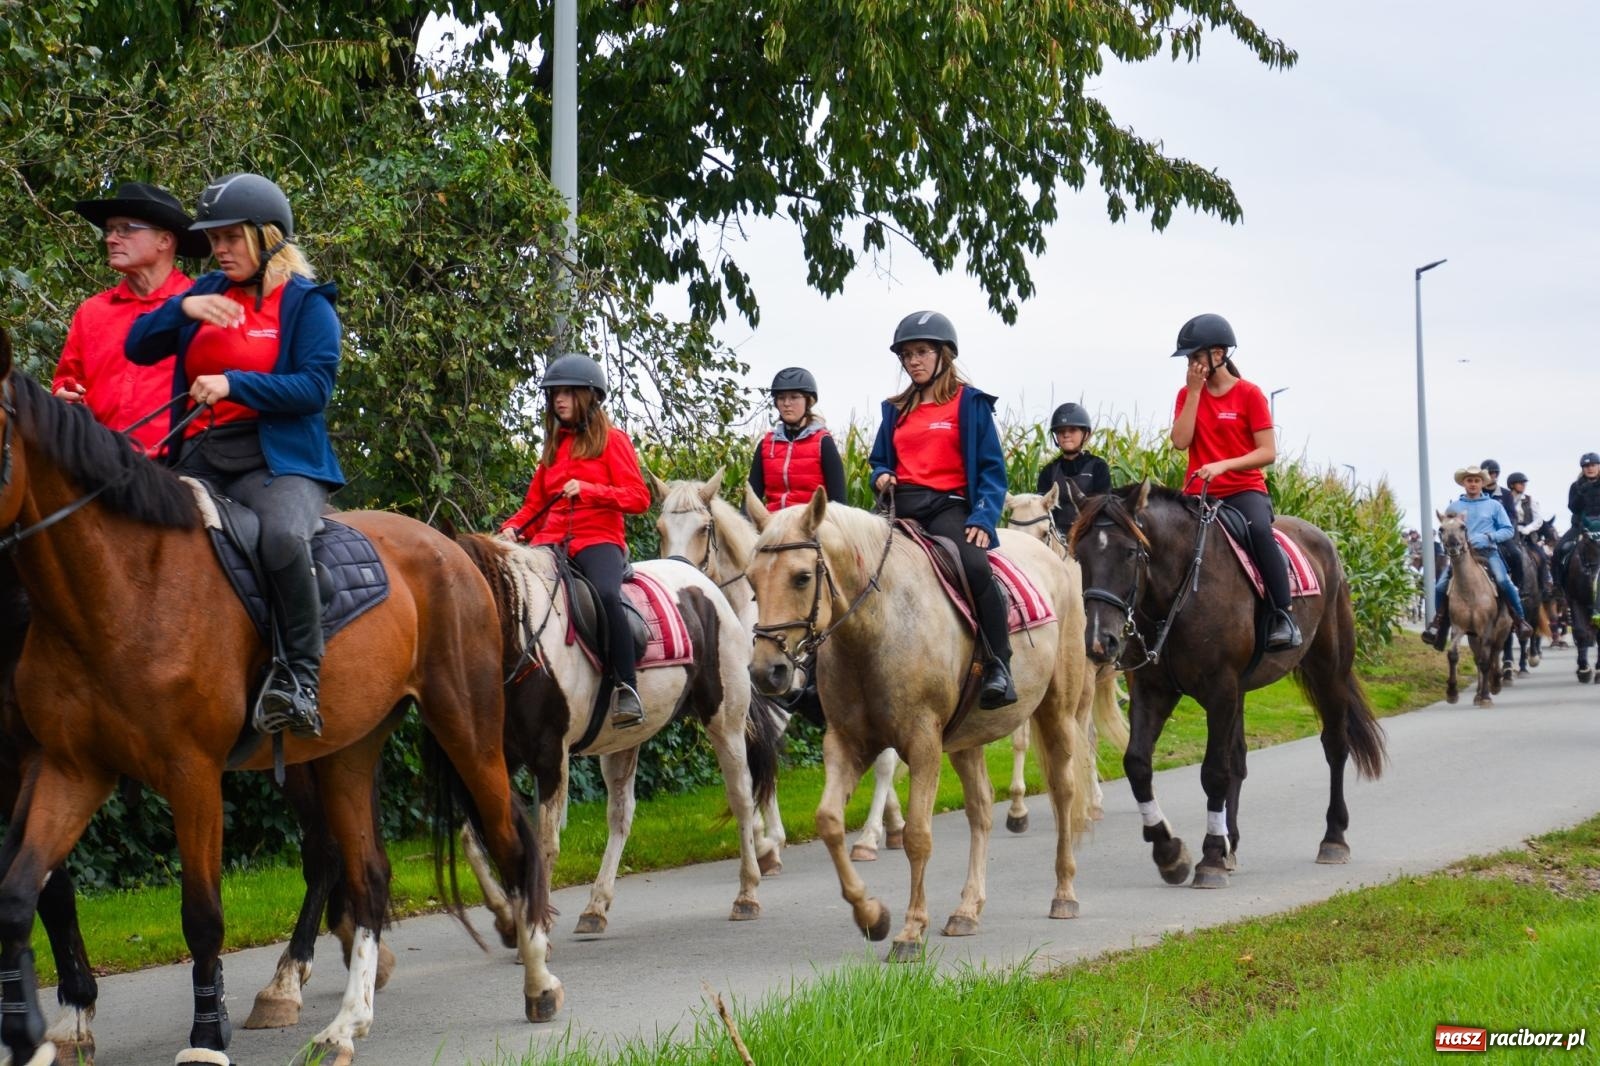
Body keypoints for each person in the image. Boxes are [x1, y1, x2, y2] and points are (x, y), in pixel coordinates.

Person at [126, 172, 342, 738]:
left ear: (268, 237)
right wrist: (184, 310)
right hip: (199, 454)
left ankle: (301, 680)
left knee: (281, 539)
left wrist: (234, 384)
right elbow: (137, 345)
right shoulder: (206, 292)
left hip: (279, 463)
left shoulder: (306, 305)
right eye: (214, 239)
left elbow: (314, 388)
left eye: (231, 238)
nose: (219, 249)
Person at [869, 310, 1016, 708]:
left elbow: (991, 469)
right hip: (902, 508)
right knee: (854, 567)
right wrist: (881, 476)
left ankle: (998, 664)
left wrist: (983, 518)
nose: (912, 361)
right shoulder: (895, 409)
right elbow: (879, 460)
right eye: (906, 354)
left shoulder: (970, 404)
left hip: (950, 507)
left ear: (943, 355)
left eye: (921, 352)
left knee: (973, 566)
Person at [500, 354, 651, 727]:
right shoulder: (553, 448)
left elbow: (639, 498)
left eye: (567, 393)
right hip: (551, 542)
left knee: (605, 594)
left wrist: (589, 490)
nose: (558, 401)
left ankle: (625, 687)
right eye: (554, 394)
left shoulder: (613, 441)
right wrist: (512, 530)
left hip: (598, 539)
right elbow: (534, 507)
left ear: (588, 396)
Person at [1168, 313, 1301, 651]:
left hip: (1244, 490)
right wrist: (1195, 394)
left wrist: (1224, 466)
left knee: (1258, 531)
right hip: (1200, 493)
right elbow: (1180, 442)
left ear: (1219, 354)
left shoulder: (1249, 394)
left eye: (1196, 356)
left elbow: (1268, 452)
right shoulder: (1187, 395)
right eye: (1189, 359)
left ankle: (1282, 614)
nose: (1192, 364)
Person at [54, 181, 212, 456]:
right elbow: (66, 382)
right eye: (110, 229)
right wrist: (63, 397)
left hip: (175, 469)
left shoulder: (200, 307)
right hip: (97, 466)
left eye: (125, 229)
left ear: (164, 240)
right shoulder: (92, 312)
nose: (110, 239)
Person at [1420, 466, 1534, 649]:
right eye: (1469, 480)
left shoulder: (1494, 506)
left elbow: (1508, 530)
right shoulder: (1454, 506)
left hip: (1487, 552)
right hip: (1460, 557)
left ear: (1482, 483)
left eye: (1476, 481)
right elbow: (1446, 528)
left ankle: (1520, 620)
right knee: (1440, 586)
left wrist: (1489, 537)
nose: (1473, 484)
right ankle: (1438, 625)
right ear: (1464, 483)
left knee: (1504, 581)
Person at [748, 366, 846, 510]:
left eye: (794, 397)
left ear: (808, 401)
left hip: (811, 526)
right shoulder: (766, 445)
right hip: (773, 524)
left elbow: (839, 502)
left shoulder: (823, 442)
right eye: (781, 398)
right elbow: (752, 497)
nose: (787, 403)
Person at [1035, 401, 1110, 533]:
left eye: (1072, 430)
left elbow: (1103, 509)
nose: (1066, 435)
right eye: (1061, 431)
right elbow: (1041, 510)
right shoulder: (1049, 472)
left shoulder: (1098, 467)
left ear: (1085, 434)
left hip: (1089, 536)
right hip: (1055, 538)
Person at [1506, 472, 1551, 592]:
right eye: (1520, 483)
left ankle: (1544, 586)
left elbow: (1539, 520)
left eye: (1524, 483)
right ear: (1512, 485)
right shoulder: (1506, 499)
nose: (1523, 485)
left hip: (1527, 537)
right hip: (1509, 536)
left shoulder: (1530, 500)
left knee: (1541, 557)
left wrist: (1527, 529)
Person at [1556, 452, 1600, 572]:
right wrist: (1581, 493)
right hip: (1579, 527)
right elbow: (1573, 508)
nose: (1590, 468)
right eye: (1586, 466)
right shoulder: (1576, 486)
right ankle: (1557, 586)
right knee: (1559, 549)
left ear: (1599, 466)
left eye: (1593, 465)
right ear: (1582, 468)